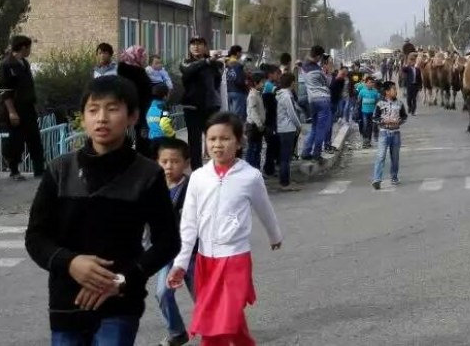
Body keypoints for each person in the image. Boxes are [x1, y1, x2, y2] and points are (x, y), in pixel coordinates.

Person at [25, 75, 181, 345]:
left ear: (132, 116)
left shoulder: (147, 174)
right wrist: (71, 263)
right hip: (67, 302)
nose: (102, 118)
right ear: (82, 118)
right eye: (93, 110)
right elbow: (36, 237)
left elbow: (168, 241)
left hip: (120, 302)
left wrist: (123, 279)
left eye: (112, 109)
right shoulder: (60, 170)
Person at [167, 112, 283, 345]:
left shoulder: (250, 176)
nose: (217, 145)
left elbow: (265, 209)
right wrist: (180, 262)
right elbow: (189, 222)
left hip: (235, 259)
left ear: (239, 142)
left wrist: (274, 235)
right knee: (227, 319)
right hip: (205, 260)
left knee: (221, 321)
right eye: (212, 139)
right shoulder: (199, 177)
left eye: (224, 139)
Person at [152, 138, 197, 346]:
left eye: (175, 161)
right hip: (167, 252)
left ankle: (216, 329)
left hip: (193, 253)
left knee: (202, 296)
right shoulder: (153, 187)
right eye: (164, 161)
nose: (169, 166)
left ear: (186, 163)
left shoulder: (194, 187)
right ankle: (177, 332)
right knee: (162, 293)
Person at [0, 35, 45, 179]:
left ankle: (40, 170)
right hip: (15, 109)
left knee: (35, 138)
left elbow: (29, 87)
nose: (30, 50)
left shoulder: (24, 63)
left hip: (28, 108)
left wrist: (34, 105)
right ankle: (14, 171)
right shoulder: (6, 65)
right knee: (16, 141)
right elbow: (4, 91)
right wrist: (12, 112)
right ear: (24, 47)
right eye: (29, 47)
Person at [180, 37, 224, 170]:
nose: (195, 47)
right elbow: (188, 70)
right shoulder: (185, 62)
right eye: (192, 44)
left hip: (211, 107)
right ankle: (197, 172)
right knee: (195, 142)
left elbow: (217, 81)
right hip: (192, 108)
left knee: (215, 139)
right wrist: (206, 61)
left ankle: (217, 169)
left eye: (199, 44)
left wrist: (212, 61)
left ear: (205, 47)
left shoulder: (214, 64)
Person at [117, 46, 154, 155]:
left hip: (132, 110)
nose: (144, 59)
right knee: (142, 141)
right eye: (142, 56)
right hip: (139, 111)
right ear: (135, 56)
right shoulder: (135, 72)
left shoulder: (124, 70)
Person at [371, 81, 407, 190]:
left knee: (395, 157)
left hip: (395, 133)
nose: (396, 91)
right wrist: (384, 120)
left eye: (395, 89)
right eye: (393, 89)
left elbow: (404, 116)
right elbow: (375, 118)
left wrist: (398, 121)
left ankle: (394, 177)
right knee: (381, 156)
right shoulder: (380, 104)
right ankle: (377, 179)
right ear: (387, 92)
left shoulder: (400, 103)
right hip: (384, 133)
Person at [299, 46, 333, 161]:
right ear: (318, 56)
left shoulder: (303, 67)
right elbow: (327, 83)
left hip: (312, 101)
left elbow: (304, 62)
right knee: (321, 128)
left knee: (314, 127)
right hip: (323, 100)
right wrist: (327, 70)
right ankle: (316, 154)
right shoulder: (318, 71)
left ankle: (305, 152)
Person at [276, 74, 303, 192]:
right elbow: (291, 113)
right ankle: (285, 183)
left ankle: (285, 181)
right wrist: (299, 125)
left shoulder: (280, 95)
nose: (295, 84)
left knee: (284, 156)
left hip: (282, 127)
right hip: (288, 128)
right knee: (286, 157)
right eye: (294, 82)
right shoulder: (286, 96)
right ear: (291, 83)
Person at [244, 71, 267, 171]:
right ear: (256, 83)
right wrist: (259, 124)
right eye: (262, 82)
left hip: (257, 126)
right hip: (253, 127)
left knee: (257, 149)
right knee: (252, 149)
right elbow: (253, 112)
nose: (264, 84)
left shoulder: (257, 94)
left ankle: (256, 170)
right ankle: (250, 169)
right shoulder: (253, 95)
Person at [146, 83, 176, 158]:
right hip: (163, 140)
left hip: (151, 139)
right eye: (168, 93)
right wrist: (172, 134)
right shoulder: (163, 108)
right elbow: (164, 125)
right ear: (165, 96)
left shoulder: (150, 108)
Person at [356, 75, 381, 148]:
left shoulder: (375, 92)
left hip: (372, 112)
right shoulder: (362, 91)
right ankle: (365, 140)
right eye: (369, 83)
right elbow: (358, 100)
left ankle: (369, 141)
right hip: (364, 112)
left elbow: (377, 101)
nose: (371, 84)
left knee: (370, 127)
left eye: (372, 83)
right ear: (366, 83)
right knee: (365, 125)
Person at [225, 45, 248, 123]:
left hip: (228, 91)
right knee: (238, 116)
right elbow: (239, 80)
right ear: (237, 53)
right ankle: (236, 132)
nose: (241, 54)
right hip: (238, 91)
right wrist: (245, 85)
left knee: (231, 115)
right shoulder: (237, 64)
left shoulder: (225, 62)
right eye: (240, 52)